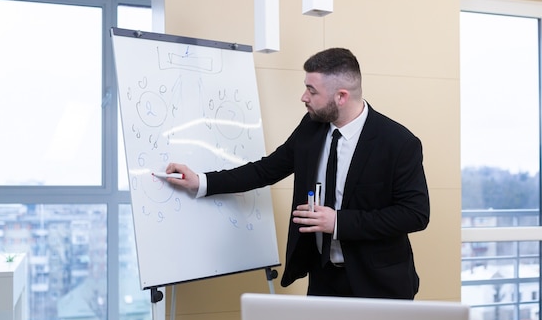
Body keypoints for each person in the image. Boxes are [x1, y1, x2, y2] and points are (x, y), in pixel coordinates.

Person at [164, 47, 429, 299]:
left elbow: (415, 214)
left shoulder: (399, 143)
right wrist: (202, 181)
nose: (304, 97)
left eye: (311, 91)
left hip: (379, 285)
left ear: (342, 96)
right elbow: (266, 169)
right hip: (323, 279)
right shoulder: (311, 128)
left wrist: (338, 222)